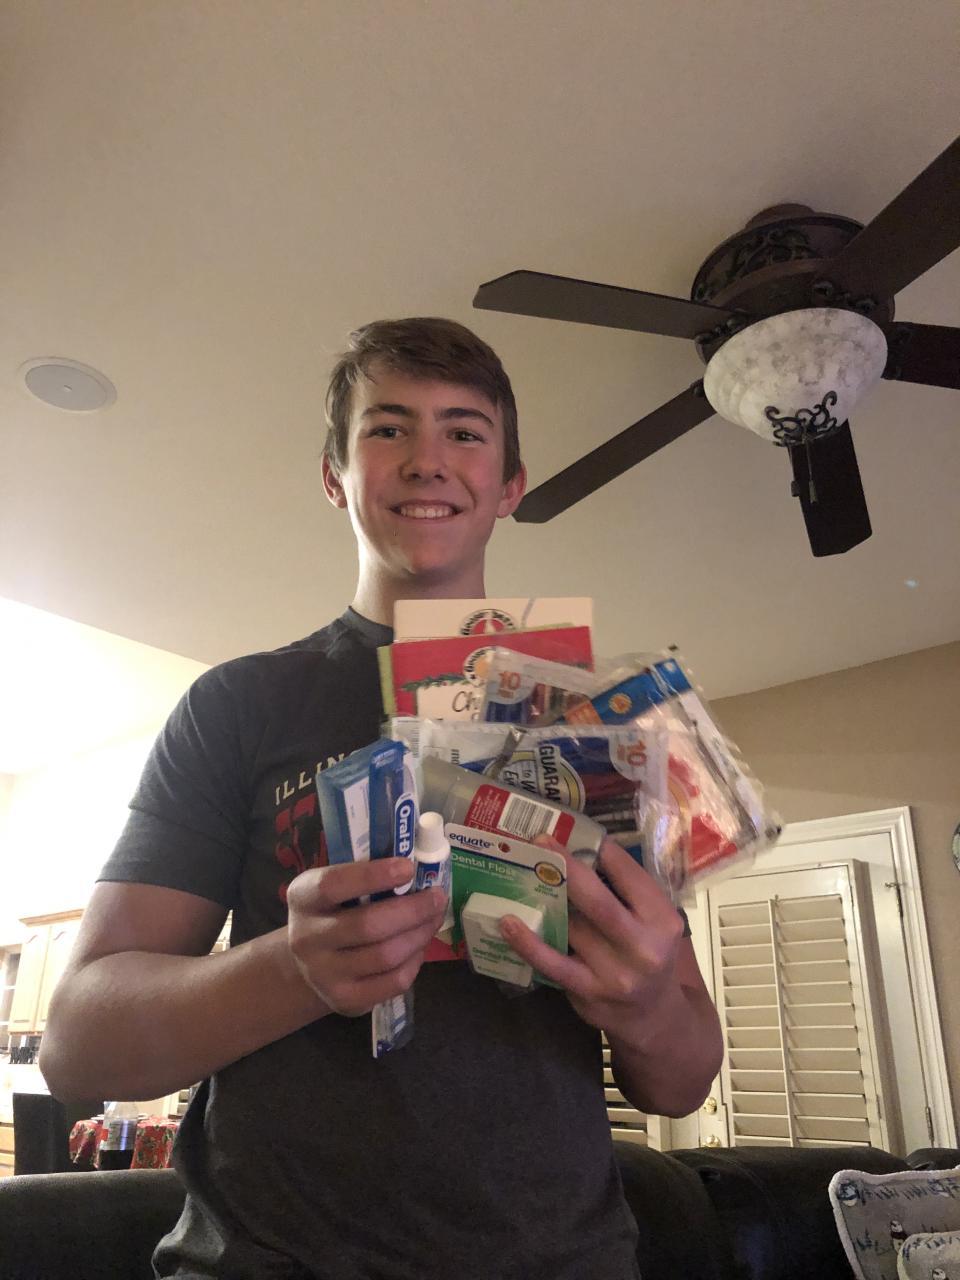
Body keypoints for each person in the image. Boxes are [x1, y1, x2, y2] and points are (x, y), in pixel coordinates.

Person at [40, 318, 724, 1280]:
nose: (427, 460)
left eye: (465, 432)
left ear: (511, 486)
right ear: (335, 476)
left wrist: (647, 1003)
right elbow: (78, 1048)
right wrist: (296, 969)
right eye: (389, 428)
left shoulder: (593, 728)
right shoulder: (238, 703)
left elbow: (683, 1082)